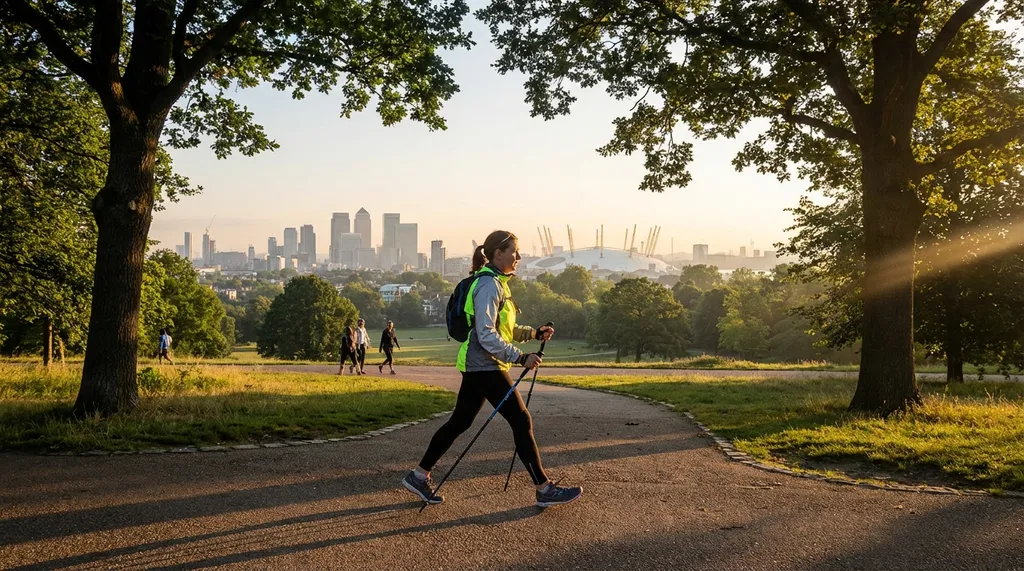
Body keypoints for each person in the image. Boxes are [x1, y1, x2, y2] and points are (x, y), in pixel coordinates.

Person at [402, 230, 583, 508]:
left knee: (460, 422)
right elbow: (486, 335)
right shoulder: (488, 285)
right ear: (498, 254)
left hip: (479, 364)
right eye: (514, 252)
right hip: (484, 365)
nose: (519, 257)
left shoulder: (497, 283)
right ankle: (544, 488)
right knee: (521, 420)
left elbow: (502, 330)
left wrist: (534, 333)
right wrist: (521, 358)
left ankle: (418, 475)